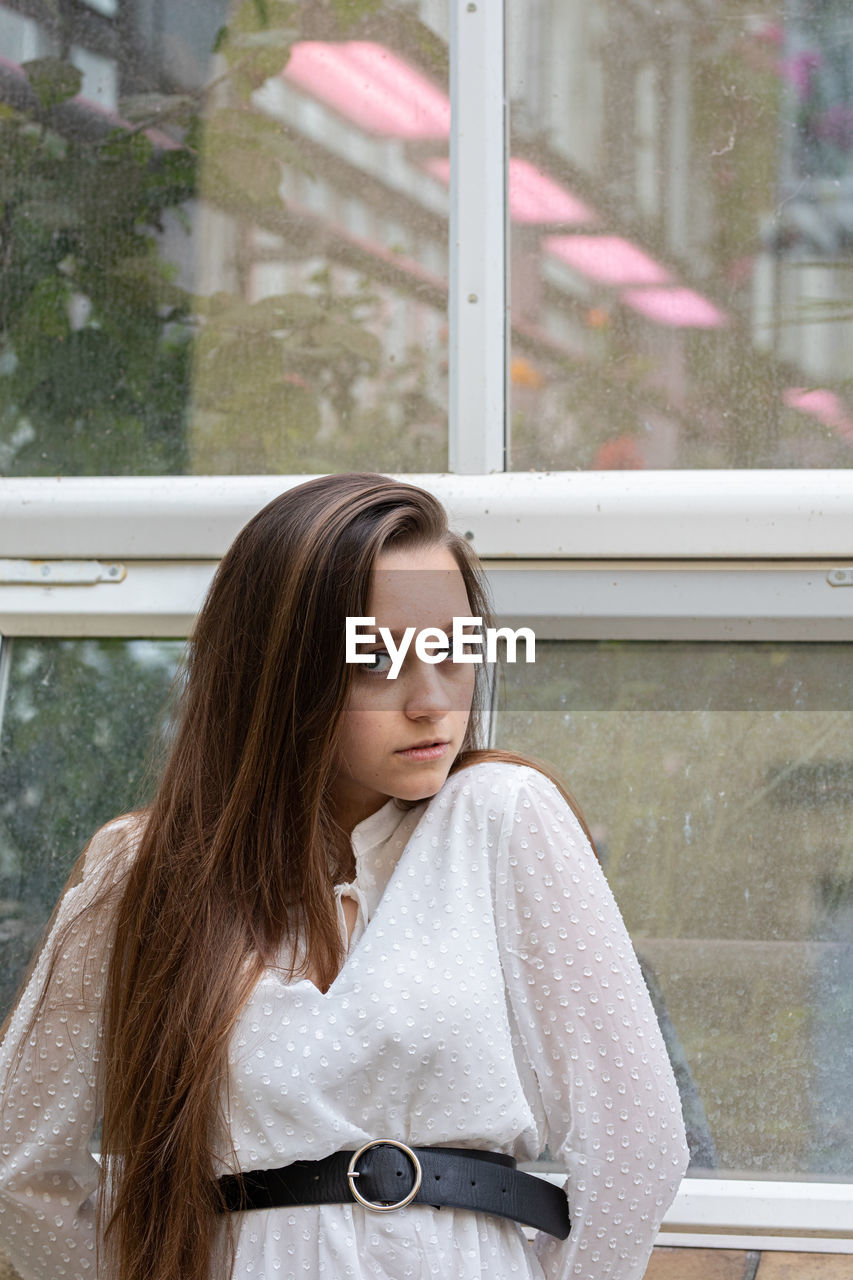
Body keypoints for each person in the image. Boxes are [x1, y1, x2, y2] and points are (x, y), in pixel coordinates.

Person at [0, 473, 689, 1280]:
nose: (432, 701)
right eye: (377, 663)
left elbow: (635, 1143)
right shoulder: (145, 871)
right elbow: (21, 1167)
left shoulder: (501, 817)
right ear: (277, 674)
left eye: (454, 649)